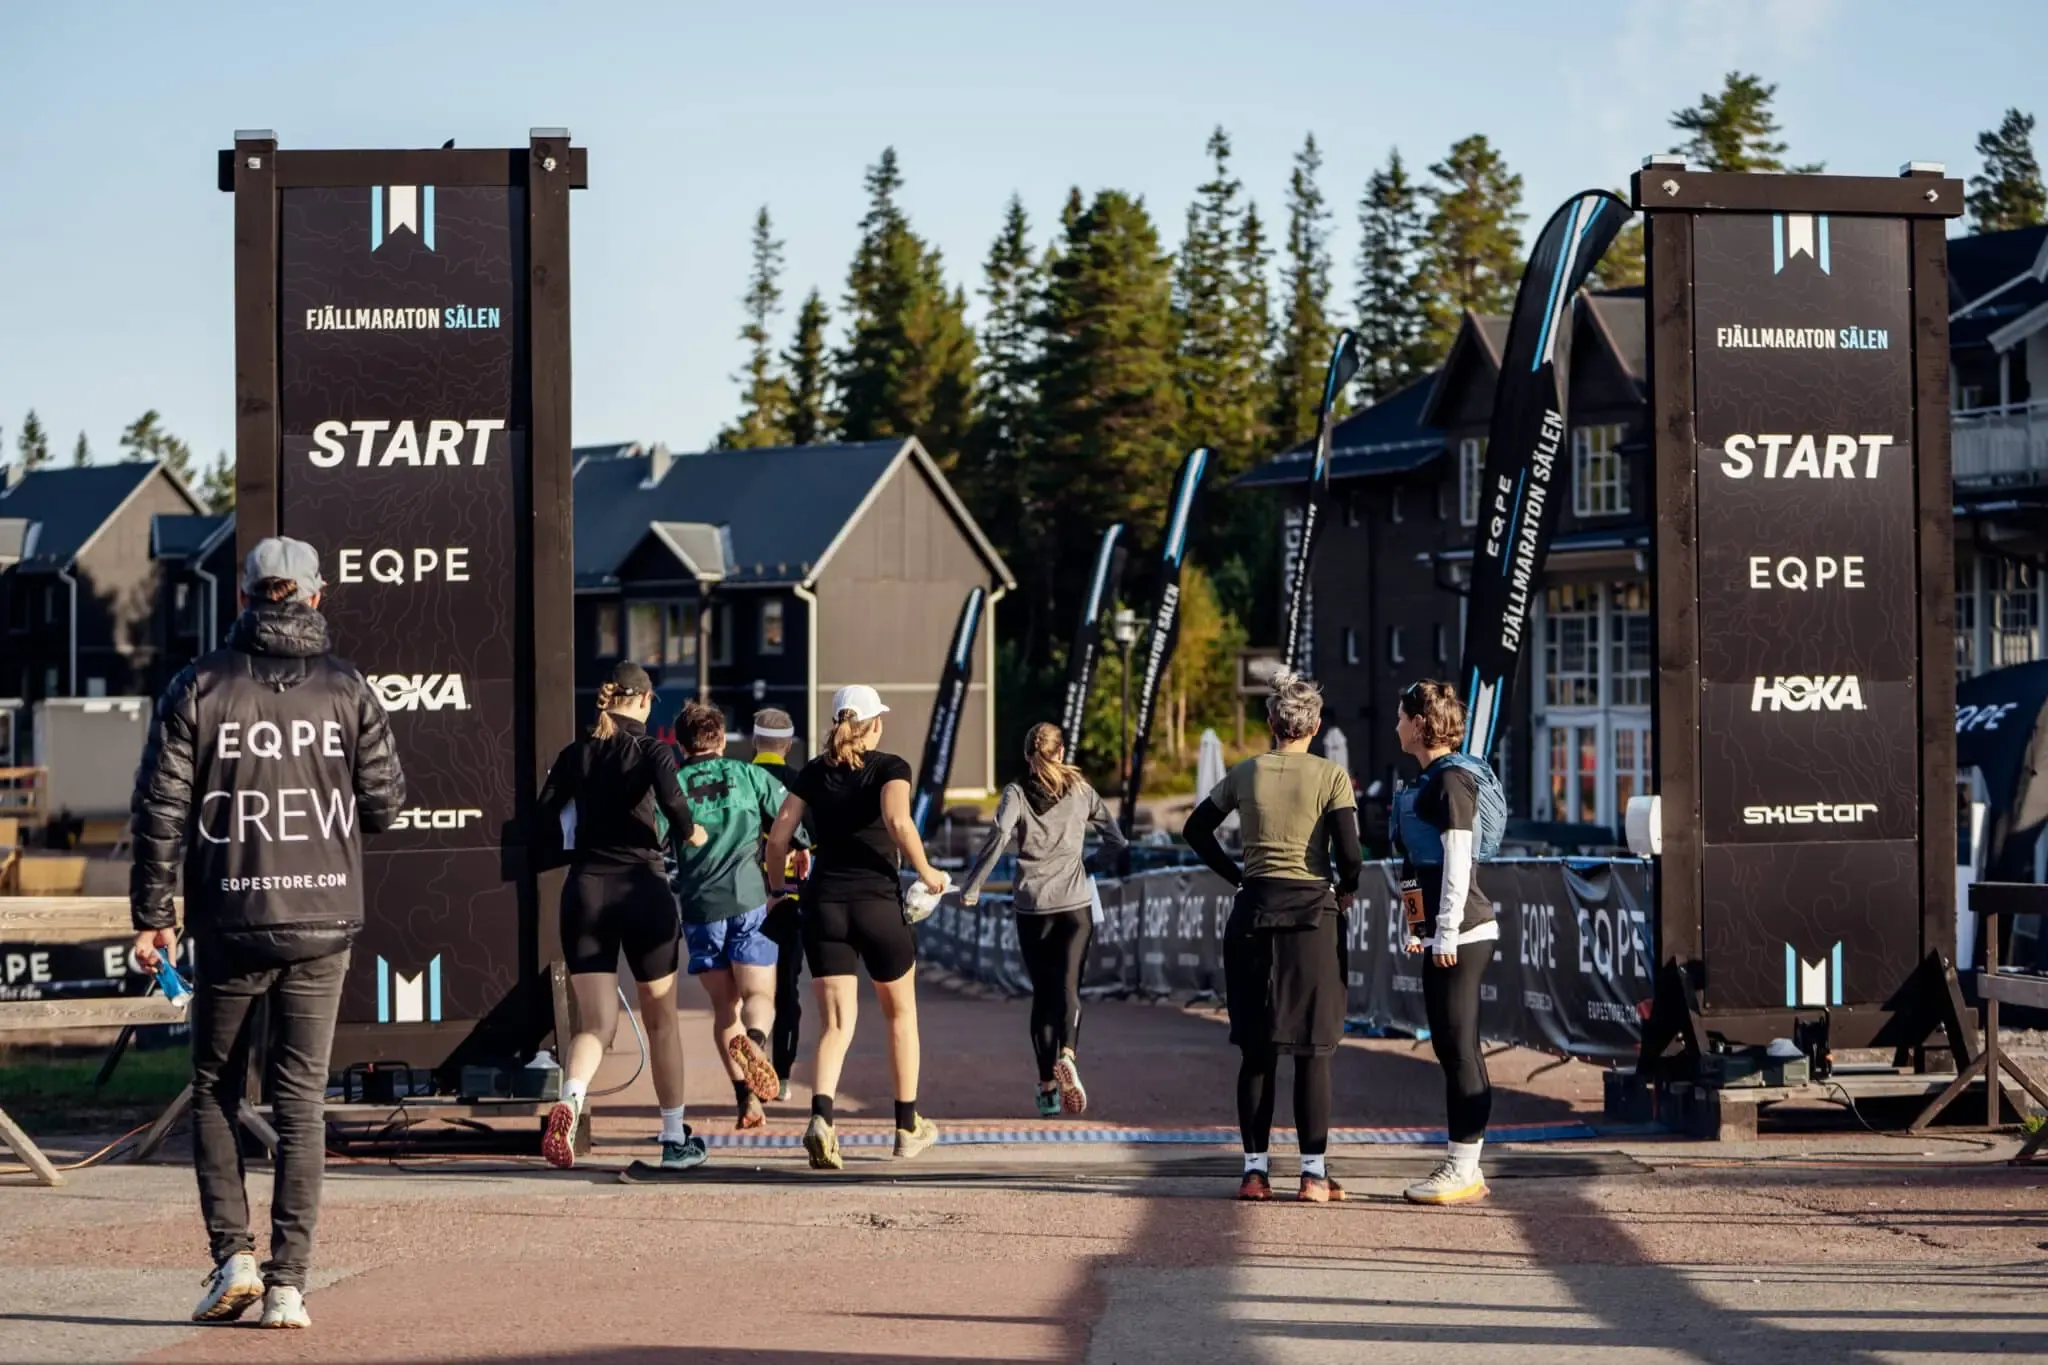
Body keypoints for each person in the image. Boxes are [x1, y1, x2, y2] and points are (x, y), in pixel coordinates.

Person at [131, 537, 407, 1330]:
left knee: (216, 1088)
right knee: (299, 1098)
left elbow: (161, 811)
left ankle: (234, 1257)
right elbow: (385, 804)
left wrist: (154, 915)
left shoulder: (198, 685)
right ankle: (289, 1282)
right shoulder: (349, 686)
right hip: (323, 919)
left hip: (231, 919)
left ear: (245, 599)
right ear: (314, 599)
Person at [1182, 669, 1362, 1204]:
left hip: (1254, 912)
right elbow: (1351, 853)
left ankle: (1254, 1173)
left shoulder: (1245, 772)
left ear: (1271, 723)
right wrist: (1346, 887)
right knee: (1313, 1049)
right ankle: (1312, 1174)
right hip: (1312, 916)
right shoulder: (1332, 776)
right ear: (1316, 724)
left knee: (1256, 1051)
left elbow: (1195, 829)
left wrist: (1236, 874)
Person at [763, 685, 947, 1170]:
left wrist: (776, 889)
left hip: (824, 906)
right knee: (900, 1015)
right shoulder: (890, 767)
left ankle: (822, 1119)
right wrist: (929, 875)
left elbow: (780, 834)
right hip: (877, 906)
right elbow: (897, 822)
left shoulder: (813, 772)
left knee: (836, 1025)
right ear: (875, 725)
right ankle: (907, 1127)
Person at [535, 662, 708, 1173]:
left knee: (596, 1025)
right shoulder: (654, 750)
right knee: (662, 1022)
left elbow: (545, 818)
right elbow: (677, 809)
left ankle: (570, 1100)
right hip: (643, 889)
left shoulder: (575, 754)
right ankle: (675, 1139)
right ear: (644, 701)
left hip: (586, 890)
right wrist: (694, 834)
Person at [958, 722, 1126, 1118]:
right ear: (1062, 752)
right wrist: (1089, 867)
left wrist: (973, 885)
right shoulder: (1083, 792)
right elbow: (1117, 841)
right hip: (1075, 904)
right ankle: (1068, 1054)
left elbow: (1000, 834)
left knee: (1043, 994)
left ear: (1027, 757)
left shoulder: (1016, 792)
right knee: (1069, 988)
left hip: (1032, 906)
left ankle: (1047, 1089)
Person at [1392, 679, 1498, 1206]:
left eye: (1400, 717)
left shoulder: (1453, 779)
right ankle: (1463, 1163)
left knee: (1460, 1048)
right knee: (1448, 1046)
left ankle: (1464, 1167)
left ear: (1419, 724)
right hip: (1441, 932)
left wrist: (1447, 930)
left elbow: (1460, 860)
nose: (1395, 726)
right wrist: (1418, 928)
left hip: (1466, 931)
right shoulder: (1425, 781)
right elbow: (1415, 867)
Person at [670, 701, 791, 1129]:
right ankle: (755, 1043)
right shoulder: (749, 775)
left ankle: (746, 1100)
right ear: (720, 739)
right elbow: (788, 826)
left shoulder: (673, 784)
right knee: (759, 996)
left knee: (725, 1007)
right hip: (748, 899)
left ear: (681, 746)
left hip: (701, 907)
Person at [749, 707, 810, 1087]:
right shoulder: (801, 784)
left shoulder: (739, 779)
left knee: (744, 991)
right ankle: (783, 1075)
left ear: (755, 742)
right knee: (787, 986)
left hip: (744, 896)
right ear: (788, 745)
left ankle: (748, 1069)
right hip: (790, 898)